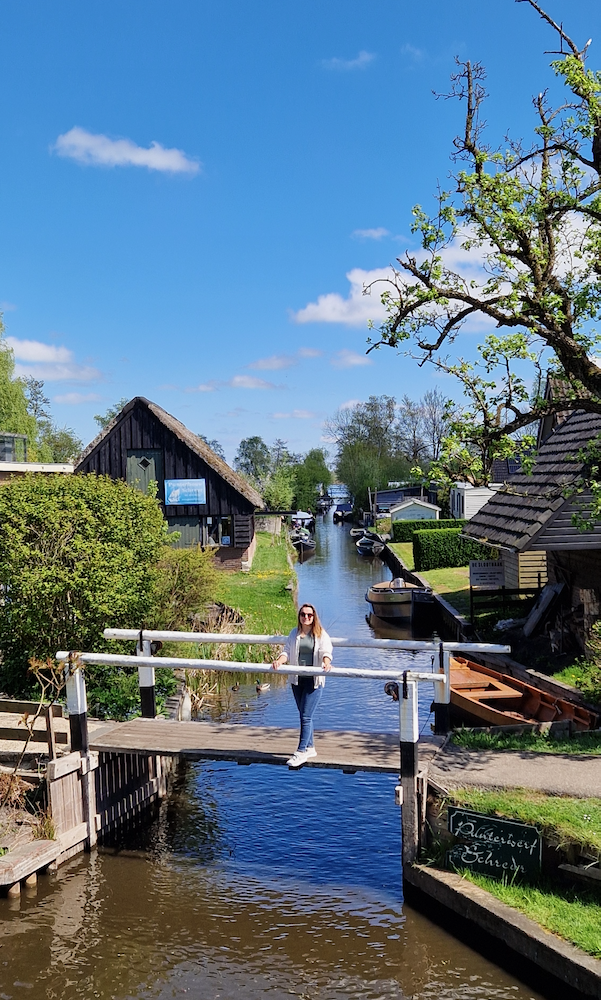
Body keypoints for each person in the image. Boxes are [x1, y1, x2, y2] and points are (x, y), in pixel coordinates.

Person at [272, 603, 332, 767]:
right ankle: (310, 747)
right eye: (303, 614)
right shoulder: (294, 633)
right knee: (305, 715)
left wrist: (326, 663)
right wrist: (279, 661)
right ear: (299, 616)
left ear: (314, 617)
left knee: (305, 716)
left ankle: (300, 752)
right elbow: (286, 651)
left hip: (314, 680)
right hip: (297, 680)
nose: (306, 618)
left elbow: (326, 652)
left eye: (309, 615)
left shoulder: (320, 634)